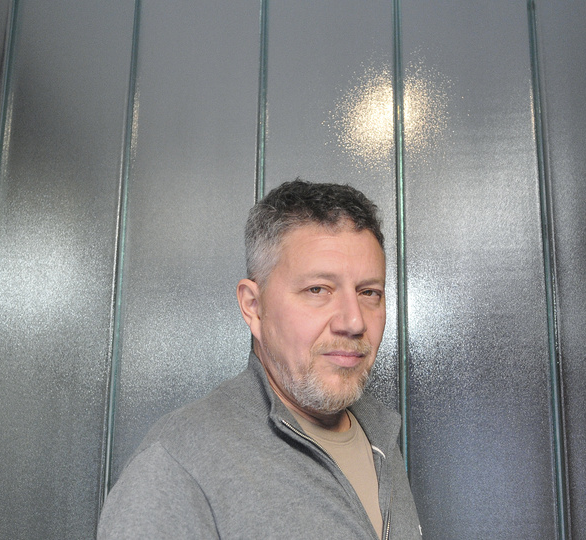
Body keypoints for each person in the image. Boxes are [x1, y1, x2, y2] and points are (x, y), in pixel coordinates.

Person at [97, 180, 422, 539]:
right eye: (317, 289)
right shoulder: (177, 466)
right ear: (253, 306)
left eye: (369, 292)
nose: (354, 321)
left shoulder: (380, 437)